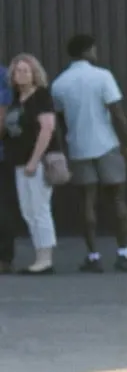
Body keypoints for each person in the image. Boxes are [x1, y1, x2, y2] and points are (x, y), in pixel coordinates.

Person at [51, 31, 127, 270]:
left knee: (87, 201)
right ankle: (123, 253)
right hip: (107, 144)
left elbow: (61, 121)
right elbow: (117, 114)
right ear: (87, 51)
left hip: (79, 146)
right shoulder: (103, 77)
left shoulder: (59, 83)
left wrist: (67, 145)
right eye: (93, 49)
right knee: (118, 197)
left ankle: (93, 257)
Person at [2, 54, 59, 274]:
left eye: (26, 70)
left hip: (37, 161)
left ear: (35, 73)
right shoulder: (17, 99)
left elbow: (47, 128)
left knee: (40, 208)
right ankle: (39, 255)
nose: (22, 74)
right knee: (28, 210)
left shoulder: (41, 96)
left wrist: (34, 160)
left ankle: (46, 258)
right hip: (18, 160)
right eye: (17, 71)